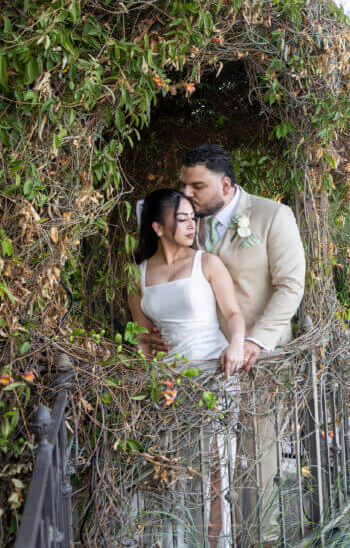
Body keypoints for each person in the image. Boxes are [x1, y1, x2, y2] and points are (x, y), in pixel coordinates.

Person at [144, 143, 306, 542]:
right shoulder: (186, 222)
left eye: (197, 186)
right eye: (184, 185)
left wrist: (253, 341)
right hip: (198, 357)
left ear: (227, 184)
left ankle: (259, 536)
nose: (189, 193)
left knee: (256, 453)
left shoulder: (272, 216)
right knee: (205, 459)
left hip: (256, 358)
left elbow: (290, 287)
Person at [128, 188, 246, 547]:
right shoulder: (138, 274)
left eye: (193, 218)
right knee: (173, 468)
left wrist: (237, 344)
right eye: (182, 219)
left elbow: (233, 314)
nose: (192, 225)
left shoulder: (206, 263)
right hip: (169, 385)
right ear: (158, 227)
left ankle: (216, 542)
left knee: (215, 469)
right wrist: (151, 361)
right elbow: (141, 336)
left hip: (214, 374)